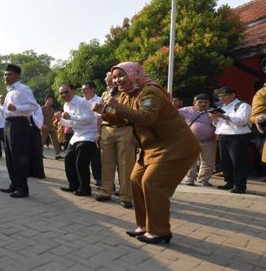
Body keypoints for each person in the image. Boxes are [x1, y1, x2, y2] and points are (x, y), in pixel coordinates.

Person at [96, 62, 198, 244]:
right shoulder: (127, 95)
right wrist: (103, 111)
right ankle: (144, 226)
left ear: (135, 74)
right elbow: (121, 121)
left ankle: (160, 231)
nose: (117, 80)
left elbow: (146, 118)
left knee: (152, 183)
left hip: (175, 146)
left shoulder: (150, 92)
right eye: (115, 76)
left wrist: (116, 105)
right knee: (135, 180)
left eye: (121, 75)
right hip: (152, 148)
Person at [95, 73, 135, 208]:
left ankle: (126, 196)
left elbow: (135, 113)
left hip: (125, 129)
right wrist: (98, 132)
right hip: (107, 129)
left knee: (125, 163)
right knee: (106, 161)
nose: (107, 79)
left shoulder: (130, 93)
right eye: (108, 77)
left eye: (109, 76)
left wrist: (136, 133)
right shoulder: (106, 93)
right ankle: (106, 191)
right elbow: (101, 114)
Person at [0, 64, 40, 198]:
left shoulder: (23, 89)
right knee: (10, 158)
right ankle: (14, 185)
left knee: (18, 157)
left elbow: (33, 106)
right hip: (8, 124)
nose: (6, 77)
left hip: (19, 124)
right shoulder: (9, 91)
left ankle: (23, 189)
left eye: (9, 74)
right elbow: (8, 110)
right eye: (5, 74)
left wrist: (16, 107)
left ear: (17, 76)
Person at [58, 84, 97, 197]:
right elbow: (70, 124)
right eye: (61, 93)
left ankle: (85, 188)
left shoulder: (82, 102)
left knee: (81, 162)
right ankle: (73, 185)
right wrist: (60, 119)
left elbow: (89, 119)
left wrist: (71, 117)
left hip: (88, 135)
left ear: (73, 91)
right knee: (68, 160)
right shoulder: (66, 105)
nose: (64, 95)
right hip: (77, 135)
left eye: (66, 92)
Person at [211, 86, 252, 194]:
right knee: (225, 162)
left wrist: (224, 116)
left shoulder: (243, 105)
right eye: (219, 96)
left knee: (238, 161)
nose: (221, 98)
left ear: (233, 95)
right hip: (223, 135)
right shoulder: (222, 106)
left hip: (238, 136)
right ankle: (229, 182)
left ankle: (240, 186)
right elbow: (217, 124)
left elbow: (242, 121)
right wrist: (215, 118)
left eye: (224, 95)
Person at [178, 94, 217, 187]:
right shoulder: (186, 110)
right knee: (190, 160)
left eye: (206, 102)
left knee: (208, 161)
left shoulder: (214, 111)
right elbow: (171, 113)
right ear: (194, 103)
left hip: (209, 141)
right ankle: (190, 178)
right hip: (191, 140)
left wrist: (216, 117)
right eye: (200, 102)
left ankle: (204, 179)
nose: (203, 104)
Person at [81, 82, 102, 186]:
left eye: (86, 89)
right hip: (83, 133)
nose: (83, 91)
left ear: (93, 89)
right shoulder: (81, 102)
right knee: (83, 159)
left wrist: (98, 132)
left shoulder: (99, 100)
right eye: (82, 90)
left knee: (96, 158)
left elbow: (100, 117)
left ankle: (99, 179)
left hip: (96, 132)